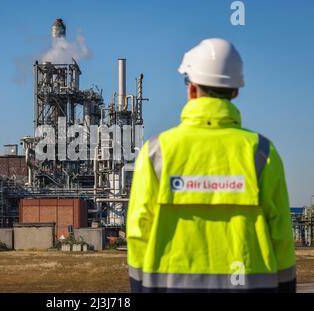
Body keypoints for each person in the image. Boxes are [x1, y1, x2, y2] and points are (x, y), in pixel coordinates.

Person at [126, 38, 296, 293]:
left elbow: (138, 232)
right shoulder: (262, 153)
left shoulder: (156, 152)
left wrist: (139, 287)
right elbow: (281, 234)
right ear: (236, 91)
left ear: (191, 89)